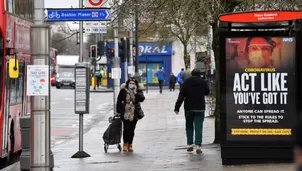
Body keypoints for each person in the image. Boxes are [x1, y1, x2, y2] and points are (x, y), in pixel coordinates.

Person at [174, 69, 210, 154]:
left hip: (189, 108)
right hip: (200, 107)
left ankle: (190, 145)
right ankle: (198, 146)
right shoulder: (203, 82)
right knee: (199, 127)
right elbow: (207, 92)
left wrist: (177, 107)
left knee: (189, 126)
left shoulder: (186, 83)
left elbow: (181, 96)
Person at [116, 77, 145, 152]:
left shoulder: (138, 91)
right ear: (127, 84)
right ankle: (125, 144)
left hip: (134, 112)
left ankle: (130, 144)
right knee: (126, 129)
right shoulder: (123, 91)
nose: (131, 85)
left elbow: (142, 98)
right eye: (130, 83)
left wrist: (135, 92)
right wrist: (118, 111)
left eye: (133, 83)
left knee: (132, 130)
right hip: (125, 111)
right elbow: (119, 100)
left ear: (136, 85)